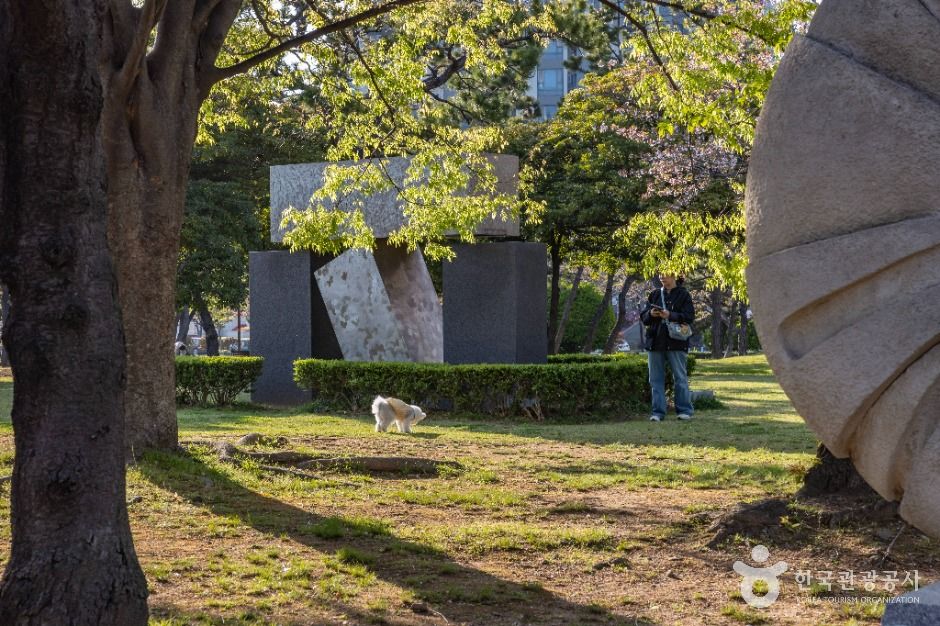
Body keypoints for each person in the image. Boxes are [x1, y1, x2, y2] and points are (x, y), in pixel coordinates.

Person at [640, 274, 695, 421]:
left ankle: (684, 411)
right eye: (661, 275)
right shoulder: (655, 294)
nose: (662, 277)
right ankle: (657, 412)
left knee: (680, 378)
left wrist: (670, 315)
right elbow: (644, 318)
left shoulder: (684, 294)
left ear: (675, 276)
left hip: (676, 342)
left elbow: (689, 317)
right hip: (655, 342)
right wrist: (651, 314)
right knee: (655, 379)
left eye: (666, 275)